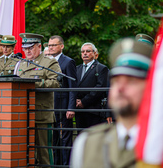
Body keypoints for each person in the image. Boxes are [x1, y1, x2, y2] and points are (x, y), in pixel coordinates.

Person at [70, 38, 153, 168]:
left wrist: (84, 101)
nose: (120, 88)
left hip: (93, 109)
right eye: (116, 81)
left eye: (131, 81)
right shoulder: (87, 143)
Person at [17, 33, 61, 166]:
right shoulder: (21, 64)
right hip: (24, 114)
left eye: (30, 47)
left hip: (41, 114)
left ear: (39, 46)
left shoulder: (49, 62)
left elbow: (56, 83)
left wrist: (36, 84)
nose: (27, 51)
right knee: (26, 152)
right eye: (25, 48)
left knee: (44, 153)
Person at [48, 35, 77, 166]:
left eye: (54, 45)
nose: (51, 47)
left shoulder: (68, 62)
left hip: (64, 106)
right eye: (49, 45)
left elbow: (72, 87)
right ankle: (56, 164)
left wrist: (71, 107)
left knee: (65, 138)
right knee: (53, 139)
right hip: (50, 105)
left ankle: (66, 164)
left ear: (62, 46)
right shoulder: (47, 61)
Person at [75, 43, 109, 130]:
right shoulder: (77, 68)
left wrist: (84, 101)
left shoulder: (101, 68)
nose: (85, 53)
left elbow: (99, 88)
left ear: (95, 54)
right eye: (83, 51)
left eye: (88, 51)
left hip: (93, 110)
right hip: (79, 110)